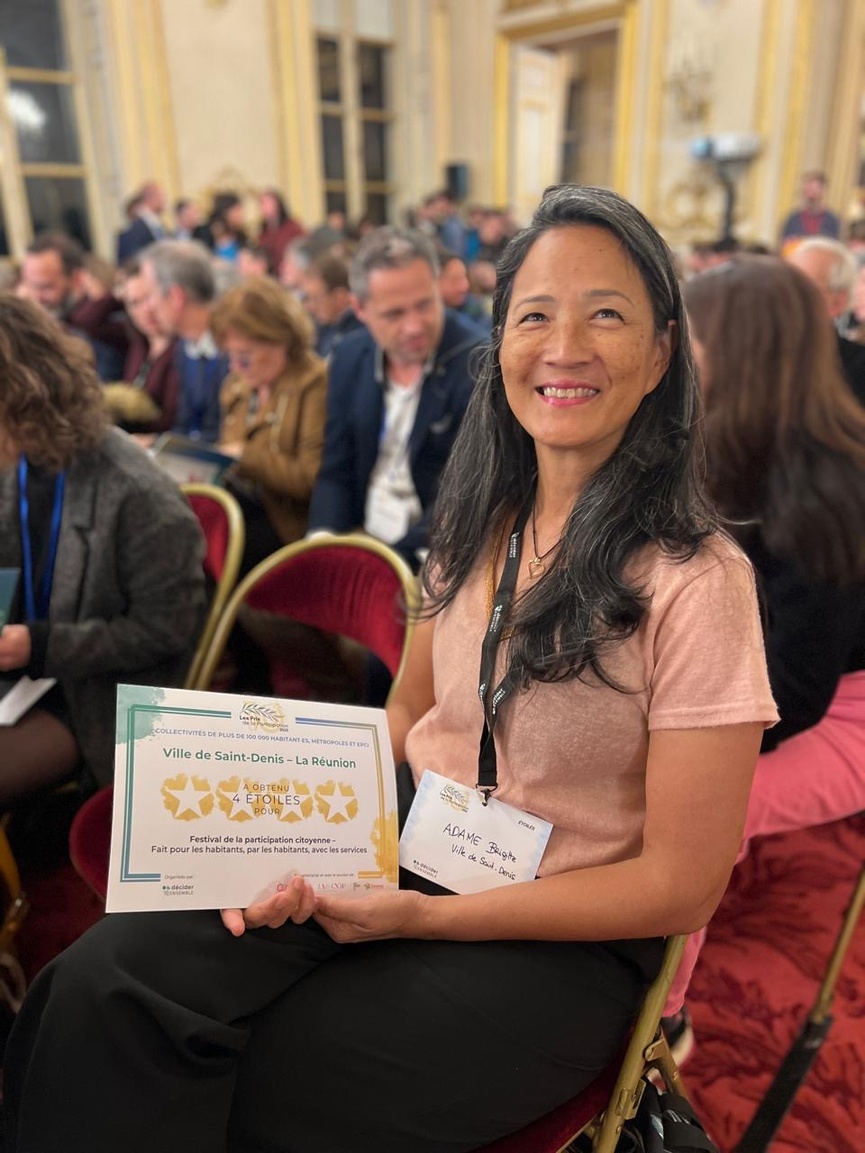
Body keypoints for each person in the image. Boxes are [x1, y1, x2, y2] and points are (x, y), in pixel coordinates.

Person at [4, 185, 777, 1153]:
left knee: (270, 1074)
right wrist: (295, 825)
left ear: (662, 353)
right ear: (498, 343)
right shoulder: (471, 527)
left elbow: (680, 883)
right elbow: (412, 707)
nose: (564, 346)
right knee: (103, 985)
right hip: (409, 839)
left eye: (606, 314)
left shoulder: (698, 581)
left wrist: (418, 917)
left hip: (563, 930)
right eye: (533, 314)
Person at [662, 255, 865, 1045]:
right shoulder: (716, 433)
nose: (674, 359)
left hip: (840, 706)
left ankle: (661, 1018)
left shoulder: (834, 487)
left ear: (741, 355)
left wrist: (676, 729)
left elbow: (798, 689)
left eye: (691, 344)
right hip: (753, 668)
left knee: (701, 805)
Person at [0, 296, 205, 804]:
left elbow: (167, 632)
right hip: (25, 677)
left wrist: (40, 645)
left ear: (22, 399)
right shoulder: (21, 460)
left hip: (98, 696)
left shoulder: (136, 495)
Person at [307, 227, 485, 569]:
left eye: (424, 304)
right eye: (394, 314)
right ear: (359, 308)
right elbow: (336, 467)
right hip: (362, 533)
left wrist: (385, 567)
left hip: (432, 551)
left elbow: (463, 497)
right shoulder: (348, 356)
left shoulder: (477, 363)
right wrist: (322, 543)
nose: (414, 326)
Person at [212, 278, 327, 573]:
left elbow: (311, 479)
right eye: (231, 356)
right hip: (240, 512)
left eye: (245, 356)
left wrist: (244, 457)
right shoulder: (238, 384)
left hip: (287, 526)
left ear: (281, 340)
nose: (236, 367)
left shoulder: (314, 383)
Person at [70, 258, 181, 434]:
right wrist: (116, 293)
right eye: (135, 303)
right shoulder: (134, 337)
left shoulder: (182, 344)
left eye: (149, 298)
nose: (146, 310)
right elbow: (85, 321)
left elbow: (173, 420)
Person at [138, 240, 230, 442]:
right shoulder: (183, 348)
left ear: (175, 297)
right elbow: (185, 426)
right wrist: (156, 445)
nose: (148, 307)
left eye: (150, 295)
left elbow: (223, 435)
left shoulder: (233, 348)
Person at [787, 236, 865, 404]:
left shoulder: (857, 368)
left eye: (799, 285)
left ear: (837, 303)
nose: (785, 294)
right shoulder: (758, 355)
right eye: (783, 281)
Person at [300, 251, 365, 358]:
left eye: (316, 299)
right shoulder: (323, 327)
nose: (310, 307)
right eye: (307, 298)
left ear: (340, 297)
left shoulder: (358, 335)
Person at [780, 171, 841, 245]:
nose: (811, 193)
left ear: (823, 191)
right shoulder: (792, 220)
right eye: (808, 189)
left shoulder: (831, 221)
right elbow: (785, 246)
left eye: (814, 189)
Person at [116, 180, 167, 264]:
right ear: (150, 198)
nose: (164, 201)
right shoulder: (134, 232)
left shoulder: (158, 224)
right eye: (161, 196)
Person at [256, 188, 304, 275]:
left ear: (277, 204)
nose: (263, 207)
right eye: (261, 203)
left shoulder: (292, 227)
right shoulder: (263, 232)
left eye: (267, 202)